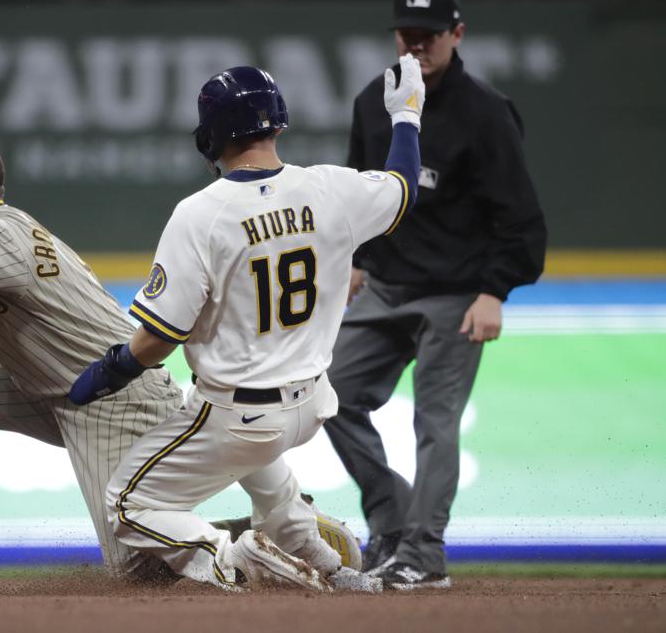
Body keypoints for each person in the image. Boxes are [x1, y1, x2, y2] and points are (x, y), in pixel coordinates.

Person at [0, 134, 359, 595]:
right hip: (55, 387)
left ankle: (279, 536)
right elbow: (53, 310)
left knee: (136, 570)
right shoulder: (10, 233)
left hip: (111, 398)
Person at [70, 56, 425, 591]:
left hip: (239, 411)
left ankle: (231, 555)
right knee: (258, 469)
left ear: (210, 138)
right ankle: (325, 564)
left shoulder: (201, 213)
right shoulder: (331, 189)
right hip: (310, 405)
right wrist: (407, 117)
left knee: (127, 503)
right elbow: (403, 187)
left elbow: (159, 338)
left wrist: (110, 370)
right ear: (277, 122)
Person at [322, 0, 547, 590]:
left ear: (457, 34)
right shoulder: (376, 100)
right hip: (389, 284)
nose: (417, 45)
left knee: (435, 420)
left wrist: (495, 291)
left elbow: (520, 215)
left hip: (457, 293)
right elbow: (360, 189)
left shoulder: (485, 112)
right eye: (408, 35)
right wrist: (358, 258)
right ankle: (392, 521)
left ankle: (424, 555)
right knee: (327, 396)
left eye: (429, 36)